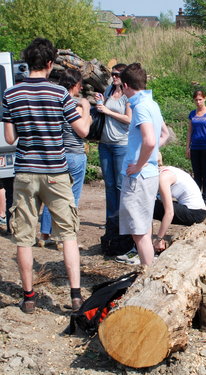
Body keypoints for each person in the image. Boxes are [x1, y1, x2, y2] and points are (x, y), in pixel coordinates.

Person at [2, 38, 91, 313]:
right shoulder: (59, 95)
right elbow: (82, 132)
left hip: (26, 172)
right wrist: (86, 110)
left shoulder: (11, 95)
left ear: (27, 62)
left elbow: (9, 137)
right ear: (50, 64)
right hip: (56, 172)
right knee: (68, 234)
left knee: (24, 237)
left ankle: (28, 298)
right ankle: (75, 296)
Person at [118, 63, 166, 266]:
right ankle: (150, 274)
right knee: (144, 228)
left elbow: (151, 140)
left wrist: (139, 164)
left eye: (121, 87)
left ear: (126, 85)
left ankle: (149, 275)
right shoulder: (152, 104)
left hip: (139, 177)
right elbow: (164, 134)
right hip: (149, 173)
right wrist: (149, 156)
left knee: (139, 233)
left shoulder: (141, 107)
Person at [39, 69, 91, 249]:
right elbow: (83, 130)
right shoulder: (74, 105)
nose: (81, 88)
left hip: (56, 155)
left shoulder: (54, 103)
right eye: (80, 85)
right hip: (74, 155)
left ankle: (44, 234)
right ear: (75, 85)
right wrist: (87, 109)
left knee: (51, 195)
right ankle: (64, 238)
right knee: (71, 197)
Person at [117, 164, 206, 265]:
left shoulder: (163, 178)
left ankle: (144, 250)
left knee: (146, 206)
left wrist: (159, 238)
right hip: (196, 210)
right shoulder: (164, 171)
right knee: (148, 203)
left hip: (195, 213)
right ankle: (142, 246)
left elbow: (169, 212)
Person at [95, 63, 132, 223]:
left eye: (117, 74)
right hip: (104, 142)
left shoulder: (127, 95)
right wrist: (100, 102)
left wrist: (108, 111)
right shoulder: (109, 90)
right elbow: (103, 110)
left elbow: (128, 119)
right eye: (112, 74)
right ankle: (111, 219)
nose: (114, 77)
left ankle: (121, 219)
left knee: (119, 184)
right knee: (109, 184)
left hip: (121, 144)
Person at [186, 90, 206, 205]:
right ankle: (197, 196)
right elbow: (189, 132)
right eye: (196, 100)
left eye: (200, 99)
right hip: (195, 147)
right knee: (196, 173)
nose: (198, 102)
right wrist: (187, 147)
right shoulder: (192, 114)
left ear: (205, 98)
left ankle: (205, 198)